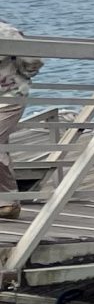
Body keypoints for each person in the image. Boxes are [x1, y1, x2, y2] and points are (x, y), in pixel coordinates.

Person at [0, 11, 39, 217]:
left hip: (11, 96)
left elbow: (33, 59)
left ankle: (9, 200)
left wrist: (22, 77)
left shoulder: (7, 32)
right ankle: (8, 203)